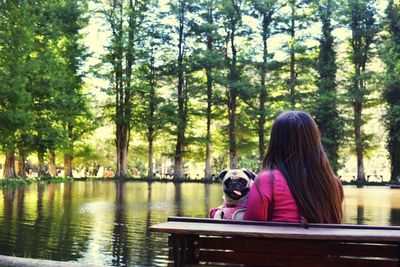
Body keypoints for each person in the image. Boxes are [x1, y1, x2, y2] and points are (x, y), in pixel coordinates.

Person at [243, 111, 343, 224]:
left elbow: (250, 229)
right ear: (315, 140)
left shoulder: (267, 180)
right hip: (323, 242)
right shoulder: (333, 183)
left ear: (276, 142)